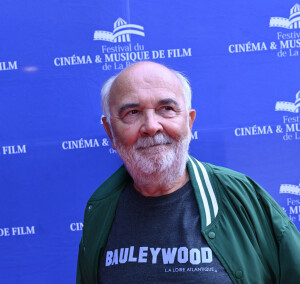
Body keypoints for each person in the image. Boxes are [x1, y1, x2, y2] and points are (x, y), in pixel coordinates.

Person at [77, 61, 300, 284]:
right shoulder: (100, 209)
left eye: (166, 109)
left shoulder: (242, 197)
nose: (151, 126)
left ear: (189, 122)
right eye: (132, 112)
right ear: (110, 132)